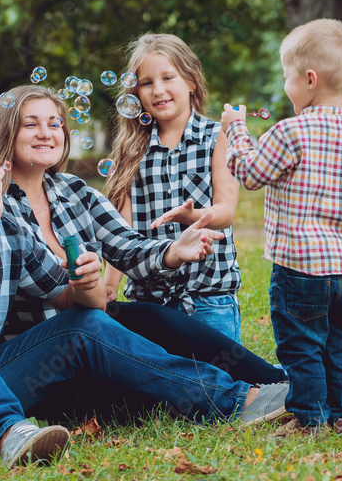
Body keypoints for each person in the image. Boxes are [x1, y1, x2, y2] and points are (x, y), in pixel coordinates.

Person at [0, 112, 290, 469]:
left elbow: (70, 300)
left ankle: (234, 400)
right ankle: (8, 435)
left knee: (82, 325)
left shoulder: (8, 221)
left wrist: (85, 281)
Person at [0, 85, 288, 401]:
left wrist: (174, 250)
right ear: (7, 132)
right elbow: (66, 297)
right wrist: (91, 285)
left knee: (151, 317)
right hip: (42, 358)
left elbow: (127, 246)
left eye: (54, 123)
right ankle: (239, 398)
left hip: (90, 322)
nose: (46, 133)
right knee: (109, 341)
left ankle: (283, 383)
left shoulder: (72, 191)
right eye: (30, 124)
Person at [222, 19, 342, 435]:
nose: (285, 85)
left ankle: (309, 419)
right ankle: (338, 415)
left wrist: (235, 129)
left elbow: (250, 173)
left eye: (287, 77)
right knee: (337, 342)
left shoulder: (290, 132)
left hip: (298, 267)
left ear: (310, 79)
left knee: (300, 344)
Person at [103, 34, 243, 342]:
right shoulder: (131, 149)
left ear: (191, 81)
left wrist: (191, 216)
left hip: (208, 298)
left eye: (168, 78)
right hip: (149, 302)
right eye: (147, 83)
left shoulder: (216, 137)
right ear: (135, 93)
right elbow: (121, 229)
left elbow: (225, 211)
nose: (158, 90)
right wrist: (110, 283)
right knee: (158, 374)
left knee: (219, 374)